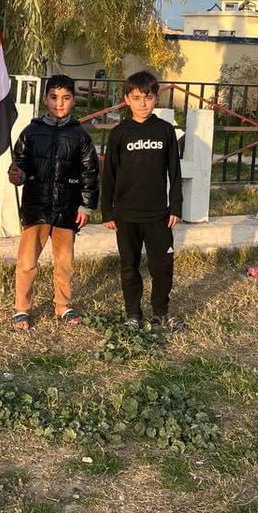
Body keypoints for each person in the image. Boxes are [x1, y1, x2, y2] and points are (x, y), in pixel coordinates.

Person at [8, 74, 99, 331]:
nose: (59, 104)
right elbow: (21, 164)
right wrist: (18, 175)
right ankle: (22, 308)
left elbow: (89, 174)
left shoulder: (80, 135)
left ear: (73, 101)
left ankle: (63, 305)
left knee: (65, 262)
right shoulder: (32, 131)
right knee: (27, 262)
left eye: (66, 98)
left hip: (67, 209)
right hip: (36, 206)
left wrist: (86, 205)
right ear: (45, 99)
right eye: (54, 97)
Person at [101, 70, 182, 328]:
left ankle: (160, 311)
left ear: (156, 98)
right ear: (126, 99)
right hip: (126, 214)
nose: (142, 103)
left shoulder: (165, 131)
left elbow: (175, 172)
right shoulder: (119, 133)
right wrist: (108, 211)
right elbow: (109, 174)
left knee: (162, 266)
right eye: (136, 97)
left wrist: (175, 206)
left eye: (147, 97)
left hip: (158, 214)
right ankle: (133, 314)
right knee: (129, 266)